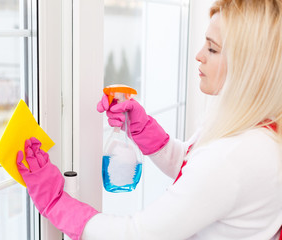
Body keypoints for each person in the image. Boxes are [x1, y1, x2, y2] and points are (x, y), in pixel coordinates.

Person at [16, 0, 282, 239]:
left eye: (212, 49)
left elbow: (137, 235)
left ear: (247, 65)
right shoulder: (258, 130)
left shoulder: (233, 157)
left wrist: (56, 203)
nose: (199, 55)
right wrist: (142, 129)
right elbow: (198, 173)